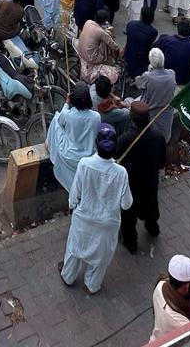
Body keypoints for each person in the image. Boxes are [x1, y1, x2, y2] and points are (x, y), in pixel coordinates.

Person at [59, 124, 132, 294]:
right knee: (100, 259)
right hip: (108, 225)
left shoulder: (84, 164)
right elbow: (126, 204)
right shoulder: (121, 173)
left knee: (74, 249)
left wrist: (72, 206)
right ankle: (92, 285)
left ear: (96, 145)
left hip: (83, 219)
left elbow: (74, 194)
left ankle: (68, 276)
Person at [118, 101, 165, 254]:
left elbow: (116, 159)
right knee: (151, 208)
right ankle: (153, 229)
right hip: (151, 182)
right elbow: (163, 161)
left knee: (128, 218)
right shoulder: (158, 136)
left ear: (131, 118)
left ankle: (131, 243)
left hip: (132, 185)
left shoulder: (126, 139)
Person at [45, 83, 100, 191]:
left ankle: (49, 144)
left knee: (56, 118)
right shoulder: (96, 116)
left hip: (69, 154)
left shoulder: (68, 115)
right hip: (89, 153)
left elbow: (61, 120)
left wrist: (66, 103)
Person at [77, 8, 121, 84]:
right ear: (105, 21)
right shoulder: (101, 32)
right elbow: (113, 45)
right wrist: (117, 51)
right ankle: (109, 64)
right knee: (107, 47)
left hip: (80, 51)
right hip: (91, 58)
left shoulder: (88, 22)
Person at [156, 18, 190, 86]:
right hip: (182, 80)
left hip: (164, 76)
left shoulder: (166, 39)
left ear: (178, 29)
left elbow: (152, 52)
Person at [122, 6, 158, 79]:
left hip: (128, 56)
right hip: (141, 61)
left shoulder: (131, 24)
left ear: (141, 16)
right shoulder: (153, 31)